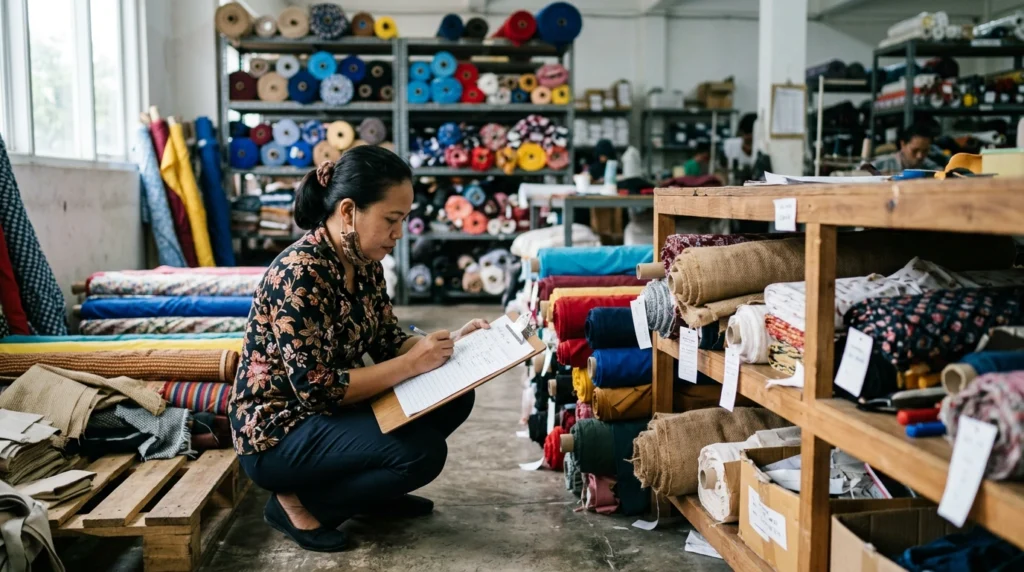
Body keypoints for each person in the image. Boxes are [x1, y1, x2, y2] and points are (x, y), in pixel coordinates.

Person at [229, 146, 489, 553]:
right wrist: (410, 364)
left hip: (331, 412)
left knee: (456, 397)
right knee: (421, 454)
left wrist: (449, 346)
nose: (398, 233)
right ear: (348, 211)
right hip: (279, 432)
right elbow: (318, 390)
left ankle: (371, 494)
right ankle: (298, 505)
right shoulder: (299, 275)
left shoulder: (365, 264)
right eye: (391, 219)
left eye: (402, 220)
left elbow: (387, 339)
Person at [868, 123, 940, 173]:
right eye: (914, 151)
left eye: (925, 151)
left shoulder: (931, 169)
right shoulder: (879, 165)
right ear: (903, 144)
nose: (919, 156)